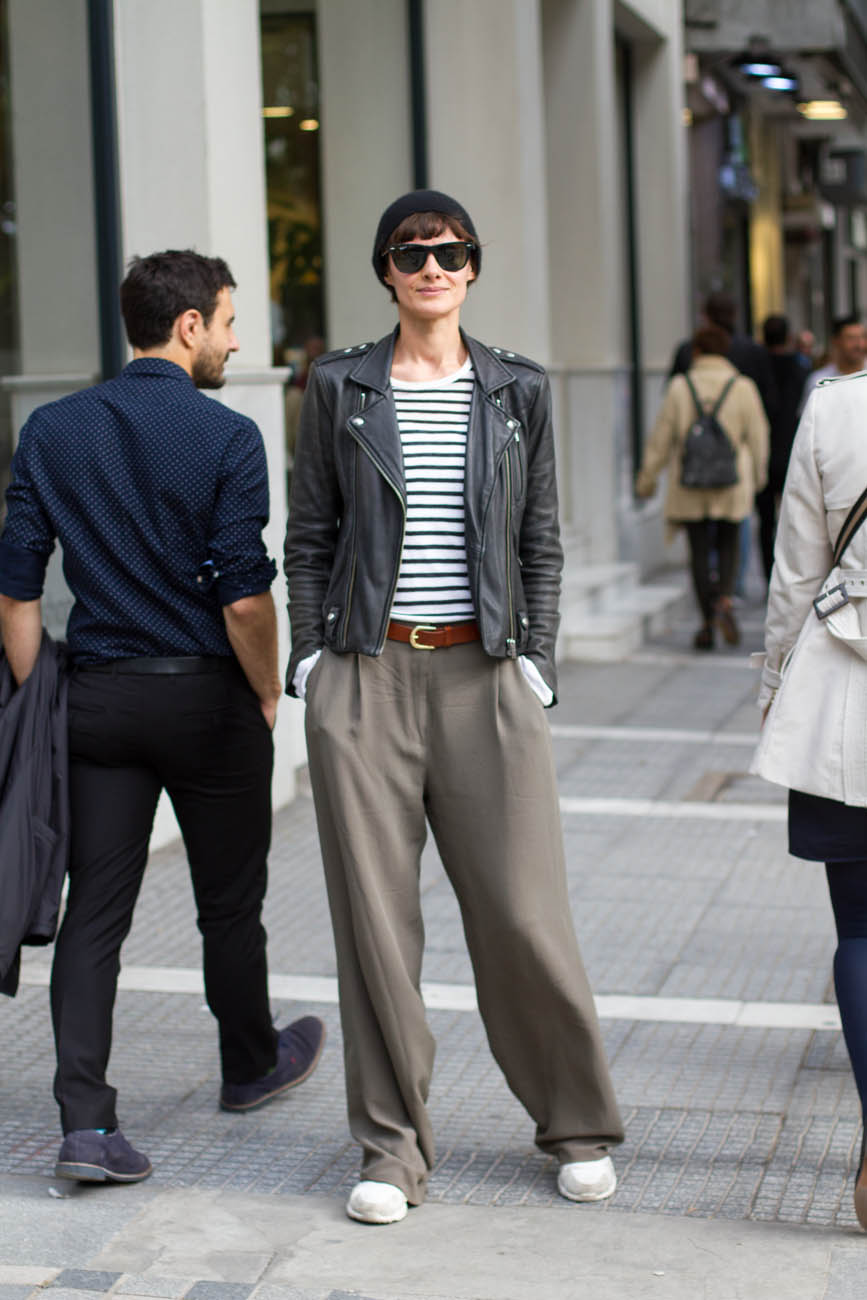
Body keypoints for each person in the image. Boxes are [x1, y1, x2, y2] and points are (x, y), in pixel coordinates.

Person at [284, 189, 623, 1226]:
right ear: (385, 271)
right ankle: (391, 1150)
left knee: (524, 913)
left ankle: (576, 1123)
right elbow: (309, 533)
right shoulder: (339, 384)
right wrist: (311, 663)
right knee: (375, 930)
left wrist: (536, 664)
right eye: (411, 252)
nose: (432, 266)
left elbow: (540, 539)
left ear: (472, 267)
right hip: (366, 673)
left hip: (487, 673)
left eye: (450, 250)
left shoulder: (517, 388)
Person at [0, 250, 324, 1185]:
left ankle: (87, 1125)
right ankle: (249, 1064)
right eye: (227, 323)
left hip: (99, 700)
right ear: (188, 327)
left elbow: (16, 588)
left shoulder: (53, 428)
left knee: (96, 912)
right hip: (207, 697)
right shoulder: (227, 436)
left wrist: (39, 691)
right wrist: (264, 691)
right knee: (229, 902)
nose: (233, 342)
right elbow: (244, 598)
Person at [751, 369, 867, 1231]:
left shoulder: (835, 406)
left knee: (860, 930)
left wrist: (772, 690)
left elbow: (795, 570)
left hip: (846, 694)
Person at [636, 324, 768, 650]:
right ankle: (725, 598)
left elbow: (661, 438)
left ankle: (707, 621)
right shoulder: (742, 387)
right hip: (732, 480)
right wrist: (759, 476)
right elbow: (758, 436)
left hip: (689, 480)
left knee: (698, 550)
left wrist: (648, 478)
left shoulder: (680, 387)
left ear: (696, 352)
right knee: (729, 542)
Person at [755, 315, 806, 584]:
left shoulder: (757, 367)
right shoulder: (800, 368)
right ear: (787, 337)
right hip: (793, 452)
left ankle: (769, 577)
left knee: (766, 522)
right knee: (794, 521)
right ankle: (790, 576)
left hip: (763, 453)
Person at [802, 314, 866, 401]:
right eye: (851, 338)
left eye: (863, 337)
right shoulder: (819, 382)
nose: (860, 345)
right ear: (836, 341)